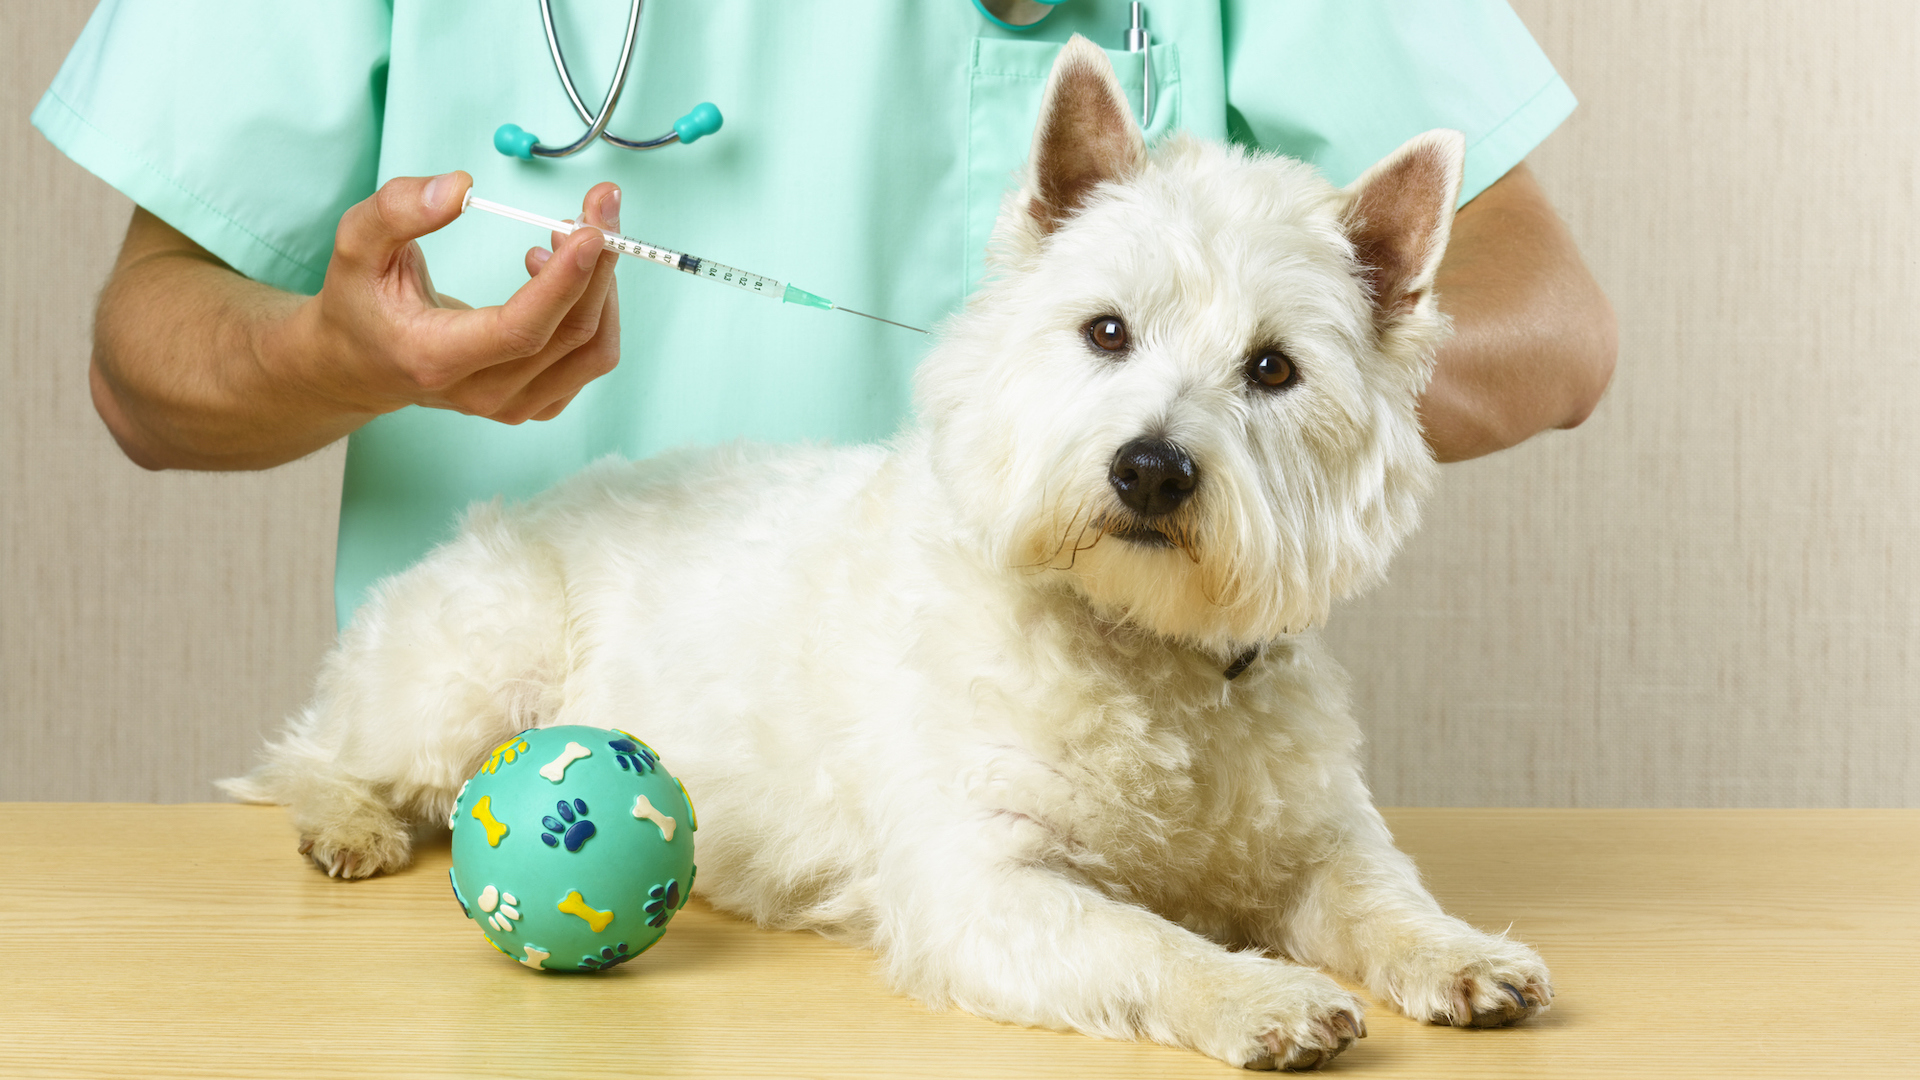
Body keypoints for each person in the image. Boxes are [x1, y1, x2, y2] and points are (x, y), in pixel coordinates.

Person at [35, 0, 1614, 627]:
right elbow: (143, 362)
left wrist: (1286, 385)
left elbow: (1546, 319)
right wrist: (326, 355)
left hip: (1068, 832)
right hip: (526, 810)